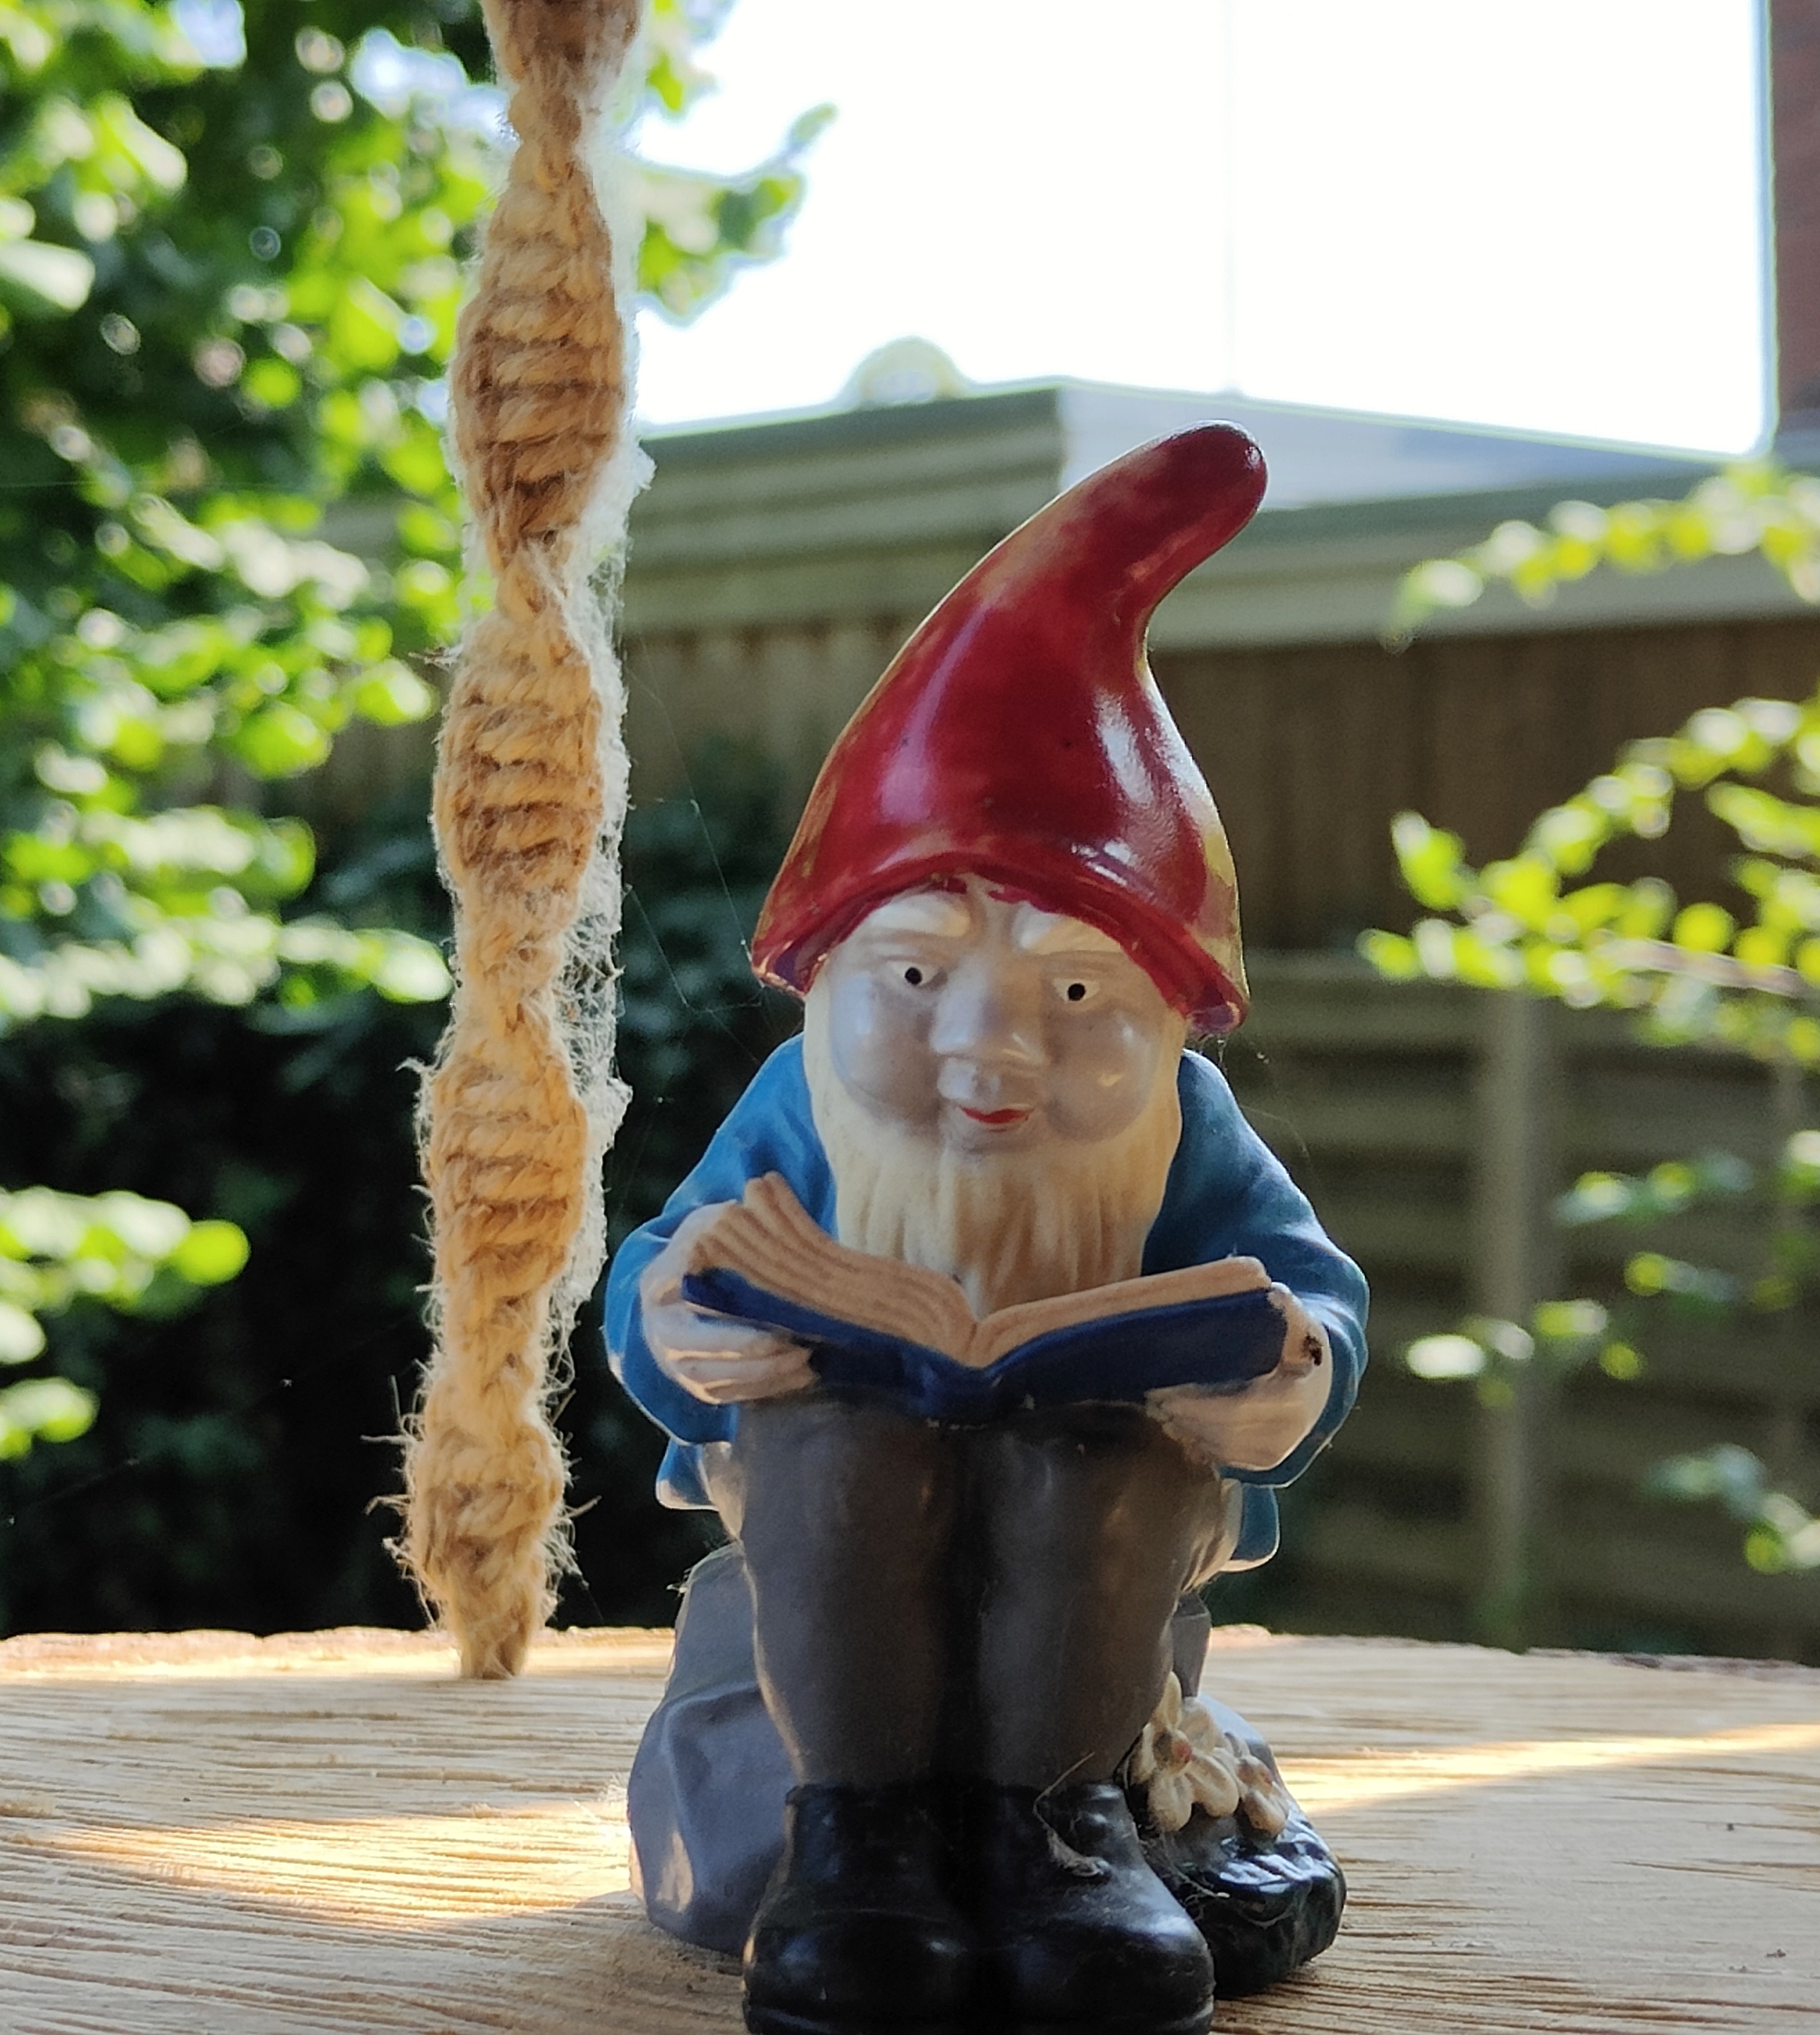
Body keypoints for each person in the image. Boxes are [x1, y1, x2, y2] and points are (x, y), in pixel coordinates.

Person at [605, 424, 1367, 2035]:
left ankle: (1061, 1840)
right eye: (915, 975)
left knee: (1103, 1471)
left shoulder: (1183, 1131)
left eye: (1074, 992)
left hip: (1099, 1548)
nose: (987, 1051)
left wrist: (1285, 1372)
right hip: (827, 1524)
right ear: (828, 981)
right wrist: (678, 1325)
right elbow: (664, 1265)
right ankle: (855, 1845)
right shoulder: (803, 1105)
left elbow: (1304, 1290)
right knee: (831, 1456)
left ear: (1163, 1016)